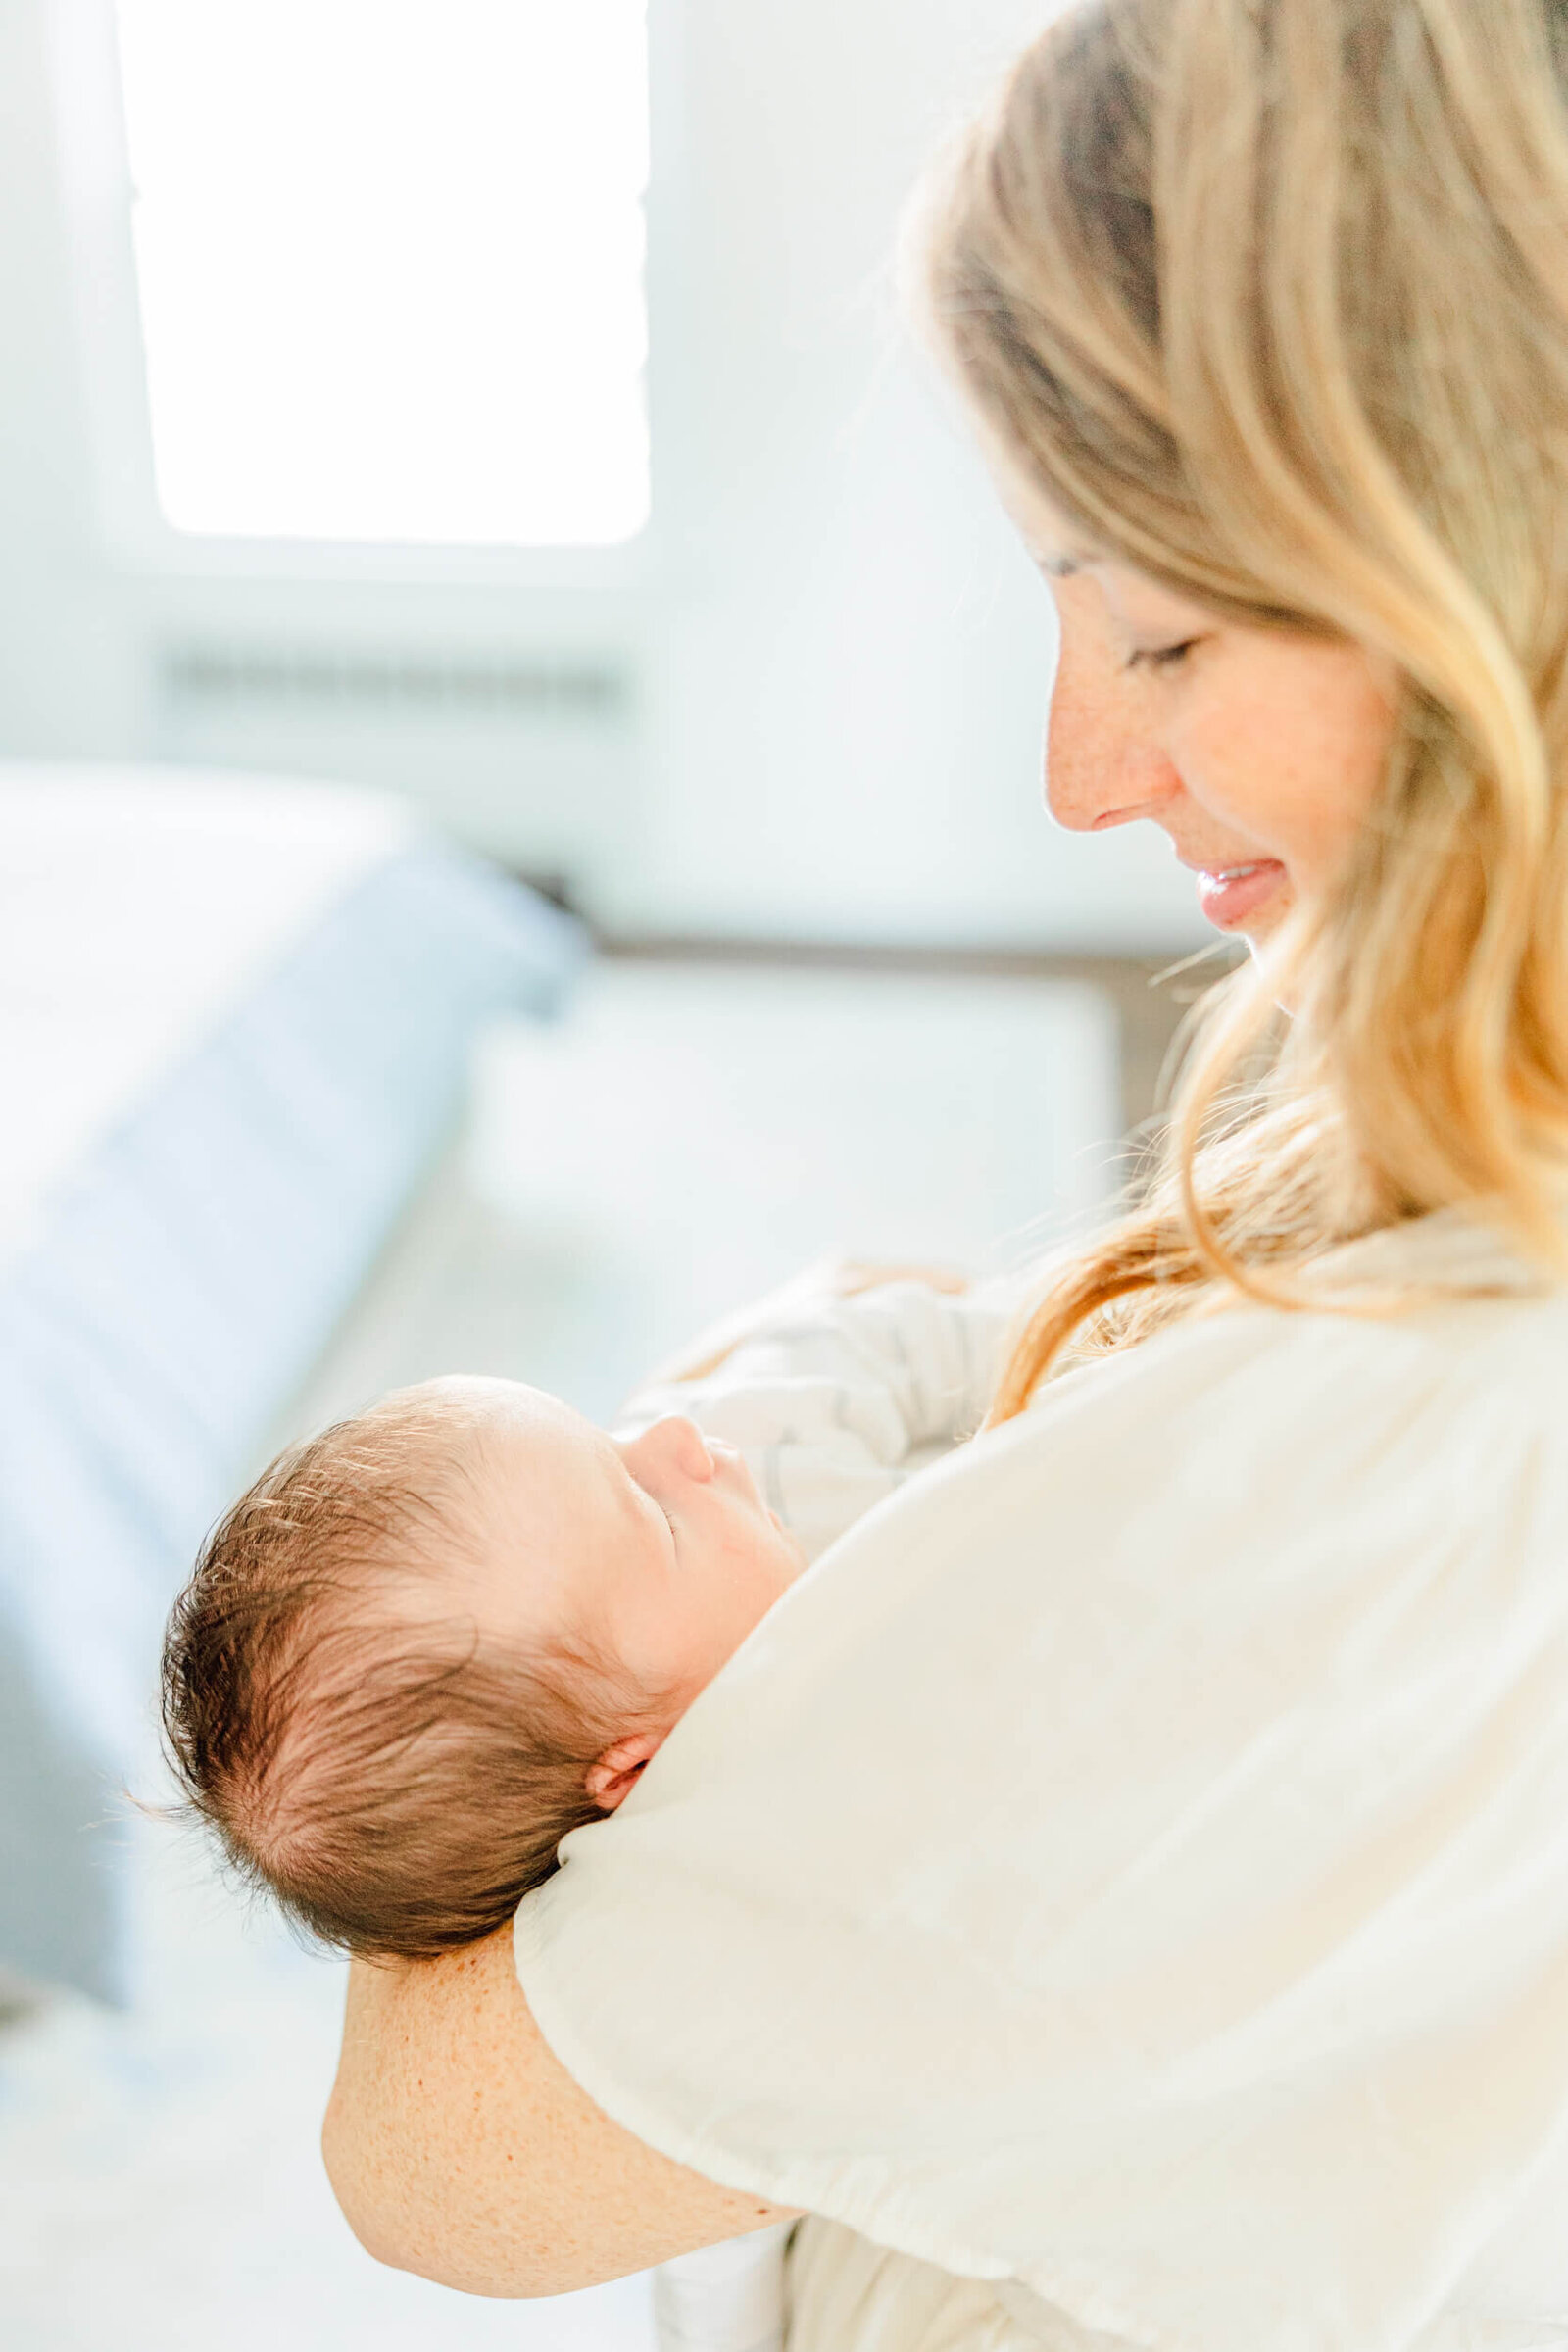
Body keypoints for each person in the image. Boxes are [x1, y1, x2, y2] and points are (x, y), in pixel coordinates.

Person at [318, 3, 1568, 2347]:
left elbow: (423, 2154)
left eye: (1157, 627)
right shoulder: (1413, 1226)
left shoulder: (1332, 1487)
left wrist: (755, 1413)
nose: (1079, 765)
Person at [158, 1278, 1010, 1960]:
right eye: (650, 1506)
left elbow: (891, 1338)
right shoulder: (796, 1831)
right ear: (634, 1772)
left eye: (603, 1442)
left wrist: (1070, 1338)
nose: (676, 1441)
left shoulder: (764, 1446)